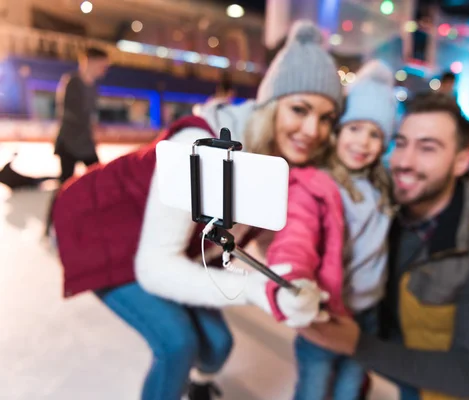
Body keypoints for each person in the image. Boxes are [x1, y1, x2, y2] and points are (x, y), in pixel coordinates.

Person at [50, 20, 342, 400]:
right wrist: (257, 289)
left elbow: (270, 240)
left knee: (217, 345)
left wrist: (291, 279)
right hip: (98, 229)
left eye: (325, 118)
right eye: (299, 109)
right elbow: (155, 267)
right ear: (270, 105)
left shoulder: (279, 162)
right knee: (177, 344)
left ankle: (189, 385)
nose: (312, 130)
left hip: (163, 243)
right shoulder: (205, 151)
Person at [296, 92, 469, 400]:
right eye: (401, 143)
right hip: (406, 376)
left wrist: (356, 345)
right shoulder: (387, 214)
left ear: (462, 160)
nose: (404, 162)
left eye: (427, 148)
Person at [264, 60, 396, 400]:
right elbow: (296, 233)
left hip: (368, 313)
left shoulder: (383, 186)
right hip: (324, 311)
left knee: (350, 388)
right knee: (314, 386)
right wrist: (293, 274)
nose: (362, 142)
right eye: (354, 128)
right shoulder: (315, 185)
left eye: (375, 134)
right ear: (337, 131)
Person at [54, 47, 109, 182]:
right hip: (69, 141)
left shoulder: (93, 87)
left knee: (99, 177)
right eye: (102, 65)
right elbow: (71, 112)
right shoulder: (72, 82)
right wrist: (91, 125)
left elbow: (91, 113)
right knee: (66, 184)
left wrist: (94, 125)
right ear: (89, 61)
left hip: (85, 141)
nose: (104, 69)